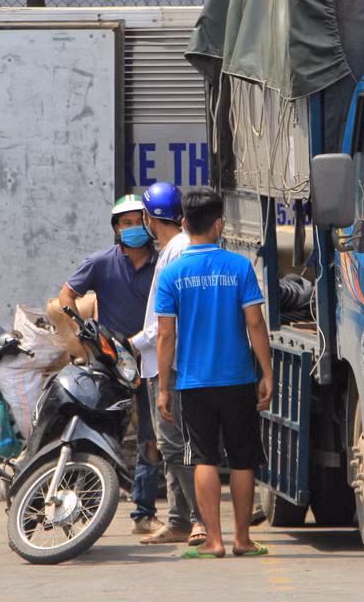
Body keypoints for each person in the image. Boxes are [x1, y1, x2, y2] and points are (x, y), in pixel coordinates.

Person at [156, 188, 274, 559]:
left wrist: (163, 388)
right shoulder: (239, 267)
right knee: (242, 458)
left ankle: (214, 541)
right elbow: (255, 324)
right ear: (219, 224)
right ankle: (242, 539)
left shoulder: (172, 272)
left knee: (203, 458)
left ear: (184, 224)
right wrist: (267, 373)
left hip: (194, 383)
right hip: (238, 379)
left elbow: (164, 336)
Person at [46, 194, 163, 536]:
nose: (134, 228)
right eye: (126, 223)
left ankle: (143, 513)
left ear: (150, 223)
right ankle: (76, 499)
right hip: (108, 359)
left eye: (139, 221)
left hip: (149, 358)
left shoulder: (163, 264)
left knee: (150, 438)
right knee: (92, 428)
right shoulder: (99, 262)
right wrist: (82, 330)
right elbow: (66, 295)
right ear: (116, 229)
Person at [130, 182, 206, 547]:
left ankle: (201, 520)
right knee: (169, 445)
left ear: (148, 217)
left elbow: (166, 322)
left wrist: (136, 342)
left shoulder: (175, 251)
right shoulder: (170, 249)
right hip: (159, 359)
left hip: (167, 362)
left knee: (175, 446)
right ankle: (178, 520)